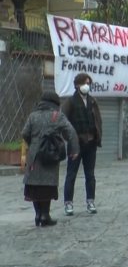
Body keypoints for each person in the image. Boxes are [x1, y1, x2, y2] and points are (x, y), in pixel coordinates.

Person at [22, 91, 80, 226]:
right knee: (47, 185)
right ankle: (45, 215)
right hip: (51, 154)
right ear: (55, 103)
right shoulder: (57, 116)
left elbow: (25, 133)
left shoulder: (33, 116)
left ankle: (37, 215)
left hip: (34, 155)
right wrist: (73, 150)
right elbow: (71, 132)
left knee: (34, 185)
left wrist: (34, 143)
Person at [62, 73, 103, 216]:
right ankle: (68, 203)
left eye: (88, 83)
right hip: (76, 144)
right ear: (77, 85)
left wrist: (97, 137)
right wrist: (70, 139)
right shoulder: (70, 102)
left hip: (90, 143)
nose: (87, 86)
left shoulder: (92, 101)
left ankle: (90, 201)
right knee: (71, 174)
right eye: (85, 83)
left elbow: (98, 120)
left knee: (90, 174)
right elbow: (63, 122)